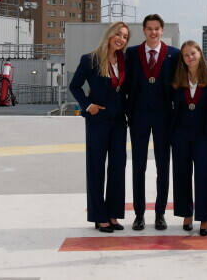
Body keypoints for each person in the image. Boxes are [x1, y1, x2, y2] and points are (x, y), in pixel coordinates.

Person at [69, 21, 130, 233]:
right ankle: (98, 216)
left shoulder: (125, 60)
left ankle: (113, 213)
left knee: (118, 168)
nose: (121, 39)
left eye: (125, 36)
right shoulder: (90, 59)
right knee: (96, 168)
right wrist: (88, 106)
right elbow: (75, 86)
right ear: (109, 34)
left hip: (119, 121)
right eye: (118, 34)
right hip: (98, 120)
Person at [126, 14, 180, 231]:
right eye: (149, 28)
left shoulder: (174, 54)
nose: (153, 32)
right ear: (144, 30)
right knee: (138, 165)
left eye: (157, 28)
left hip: (164, 117)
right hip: (138, 116)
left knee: (163, 166)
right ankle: (139, 214)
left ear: (162, 30)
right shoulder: (132, 53)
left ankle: (160, 213)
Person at [171, 41, 207, 236]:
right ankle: (186, 213)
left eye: (193, 53)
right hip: (180, 133)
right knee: (181, 174)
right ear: (182, 58)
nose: (190, 57)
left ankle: (204, 218)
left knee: (203, 175)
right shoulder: (176, 80)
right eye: (186, 55)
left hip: (202, 134)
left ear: (200, 54)